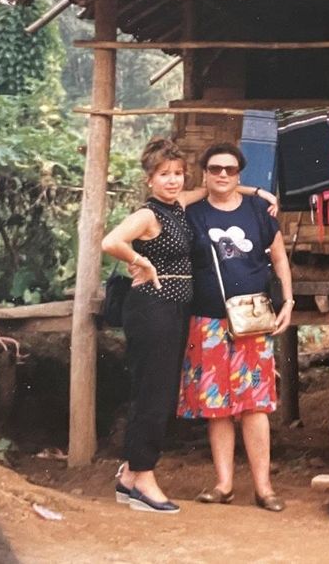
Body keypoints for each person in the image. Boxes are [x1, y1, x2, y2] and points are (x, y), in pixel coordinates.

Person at [102, 137, 276, 514]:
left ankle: (130, 475)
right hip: (153, 307)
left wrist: (258, 190)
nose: (173, 180)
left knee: (155, 391)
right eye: (164, 174)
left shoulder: (178, 206)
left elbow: (218, 183)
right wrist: (141, 261)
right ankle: (144, 478)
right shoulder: (149, 214)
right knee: (155, 394)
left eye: (178, 173)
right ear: (149, 179)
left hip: (173, 309)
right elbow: (111, 240)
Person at [177, 142, 294, 512]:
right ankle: (224, 483)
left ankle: (264, 488)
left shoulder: (259, 212)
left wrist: (288, 301)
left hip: (253, 320)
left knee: (255, 405)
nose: (222, 175)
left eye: (230, 169)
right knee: (218, 406)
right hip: (208, 320)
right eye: (214, 169)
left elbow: (279, 258)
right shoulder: (192, 212)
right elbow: (177, 197)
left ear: (239, 172)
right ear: (204, 173)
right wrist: (253, 187)